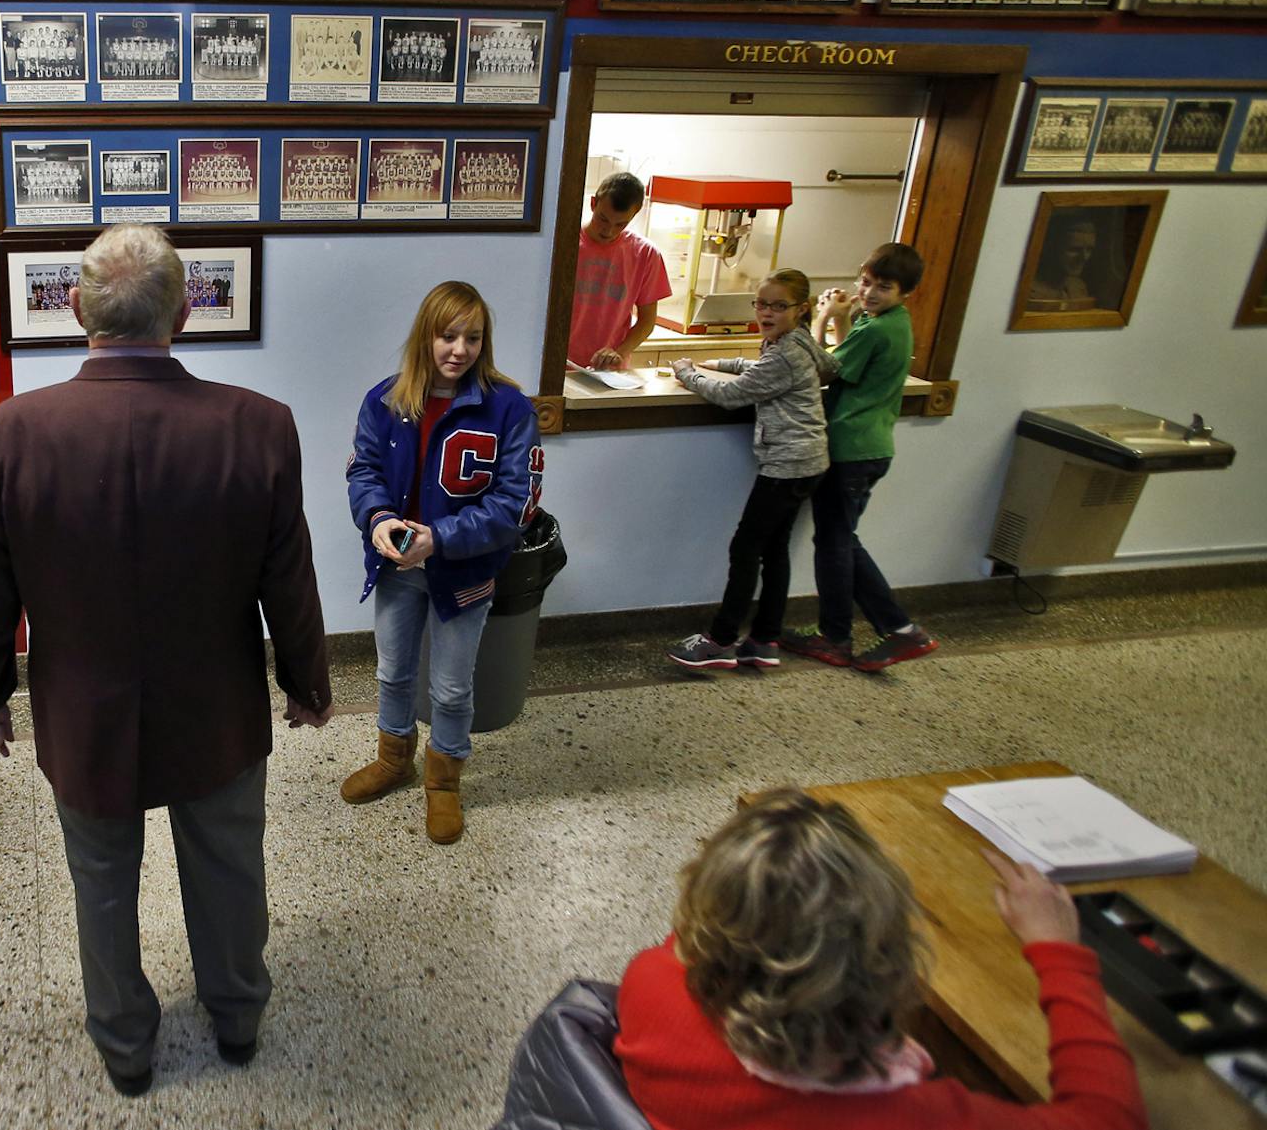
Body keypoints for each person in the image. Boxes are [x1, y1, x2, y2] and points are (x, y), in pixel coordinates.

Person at [0, 223, 331, 1098]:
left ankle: (126, 1045)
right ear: (187, 312)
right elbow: (292, 579)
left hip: (83, 712)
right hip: (219, 707)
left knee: (99, 884)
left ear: (77, 307)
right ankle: (237, 1015)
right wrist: (308, 683)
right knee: (231, 868)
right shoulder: (260, 427)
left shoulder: (6, 436)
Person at [615, 788, 1147, 1130]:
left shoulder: (648, 982)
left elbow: (695, 940)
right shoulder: (907, 1118)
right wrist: (1058, 951)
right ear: (884, 961)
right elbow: (1109, 1118)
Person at [342, 281, 541, 845]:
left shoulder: (508, 407)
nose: (459, 349)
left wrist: (443, 539)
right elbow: (364, 473)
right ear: (424, 335)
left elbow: (515, 503)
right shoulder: (386, 399)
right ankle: (394, 757)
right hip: (398, 566)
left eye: (473, 338)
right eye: (447, 335)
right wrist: (379, 519)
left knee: (452, 688)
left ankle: (444, 781)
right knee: (392, 671)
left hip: (465, 570)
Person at [667, 268, 836, 672]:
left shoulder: (787, 353)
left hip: (787, 465)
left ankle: (721, 640)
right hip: (809, 462)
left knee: (745, 549)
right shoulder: (797, 344)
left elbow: (732, 396)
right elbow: (813, 368)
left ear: (802, 309)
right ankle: (764, 638)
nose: (767, 312)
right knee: (774, 551)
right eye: (761, 304)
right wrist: (720, 361)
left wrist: (687, 372)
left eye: (779, 306)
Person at [783, 244, 940, 673]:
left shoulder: (874, 329)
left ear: (906, 291)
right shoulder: (893, 323)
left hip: (850, 449)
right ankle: (895, 629)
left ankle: (844, 635)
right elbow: (848, 362)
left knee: (835, 545)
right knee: (842, 541)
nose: (869, 293)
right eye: (866, 282)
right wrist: (842, 319)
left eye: (882, 287)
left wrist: (819, 318)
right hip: (873, 447)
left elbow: (817, 369)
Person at [566, 172, 670, 371]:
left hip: (609, 371)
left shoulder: (645, 254)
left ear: (635, 214)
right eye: (603, 220)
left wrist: (619, 352)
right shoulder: (565, 243)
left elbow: (647, 321)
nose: (609, 231)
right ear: (593, 204)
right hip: (559, 366)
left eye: (620, 224)